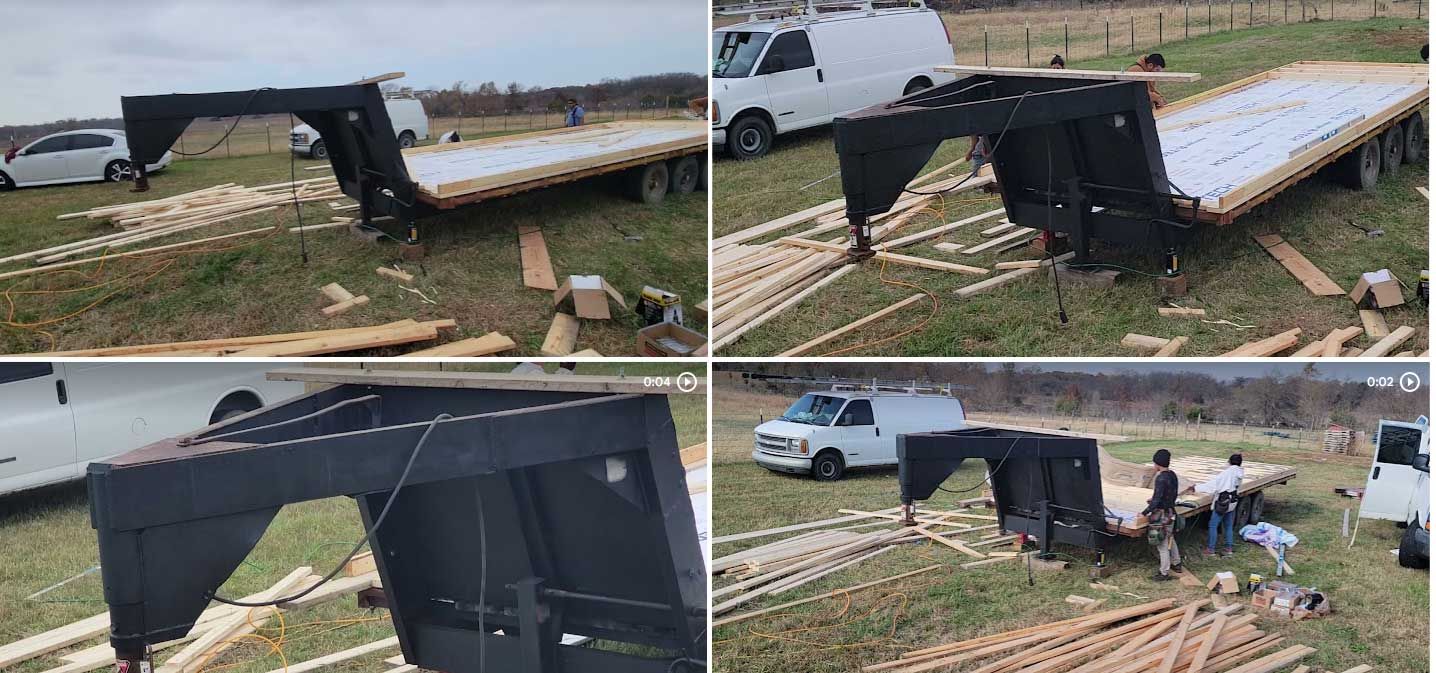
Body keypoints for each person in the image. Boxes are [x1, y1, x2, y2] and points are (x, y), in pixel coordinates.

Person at [1189, 454, 1245, 558]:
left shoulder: (1227, 473)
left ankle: (1210, 549)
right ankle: (1229, 548)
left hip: (1223, 502)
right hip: (1233, 500)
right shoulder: (1239, 472)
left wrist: (1196, 488)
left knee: (1213, 525)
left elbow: (1213, 485)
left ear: (1229, 461)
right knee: (1228, 525)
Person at [1143, 449, 1184, 581]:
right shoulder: (1173, 475)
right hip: (1171, 511)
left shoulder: (1160, 478)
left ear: (1157, 463)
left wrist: (1144, 512)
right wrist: (1156, 500)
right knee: (1170, 537)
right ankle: (1177, 563)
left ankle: (1164, 572)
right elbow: (1169, 494)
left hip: (1161, 514)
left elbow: (1156, 500)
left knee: (1161, 544)